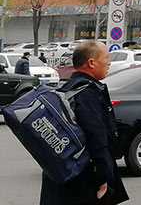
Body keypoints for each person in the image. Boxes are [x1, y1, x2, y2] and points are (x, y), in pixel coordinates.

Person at [40, 40, 129, 205]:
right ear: (92, 63)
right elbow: (97, 138)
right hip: (84, 182)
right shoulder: (87, 93)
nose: (109, 62)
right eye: (106, 57)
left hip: (63, 173)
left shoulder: (67, 88)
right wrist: (102, 178)